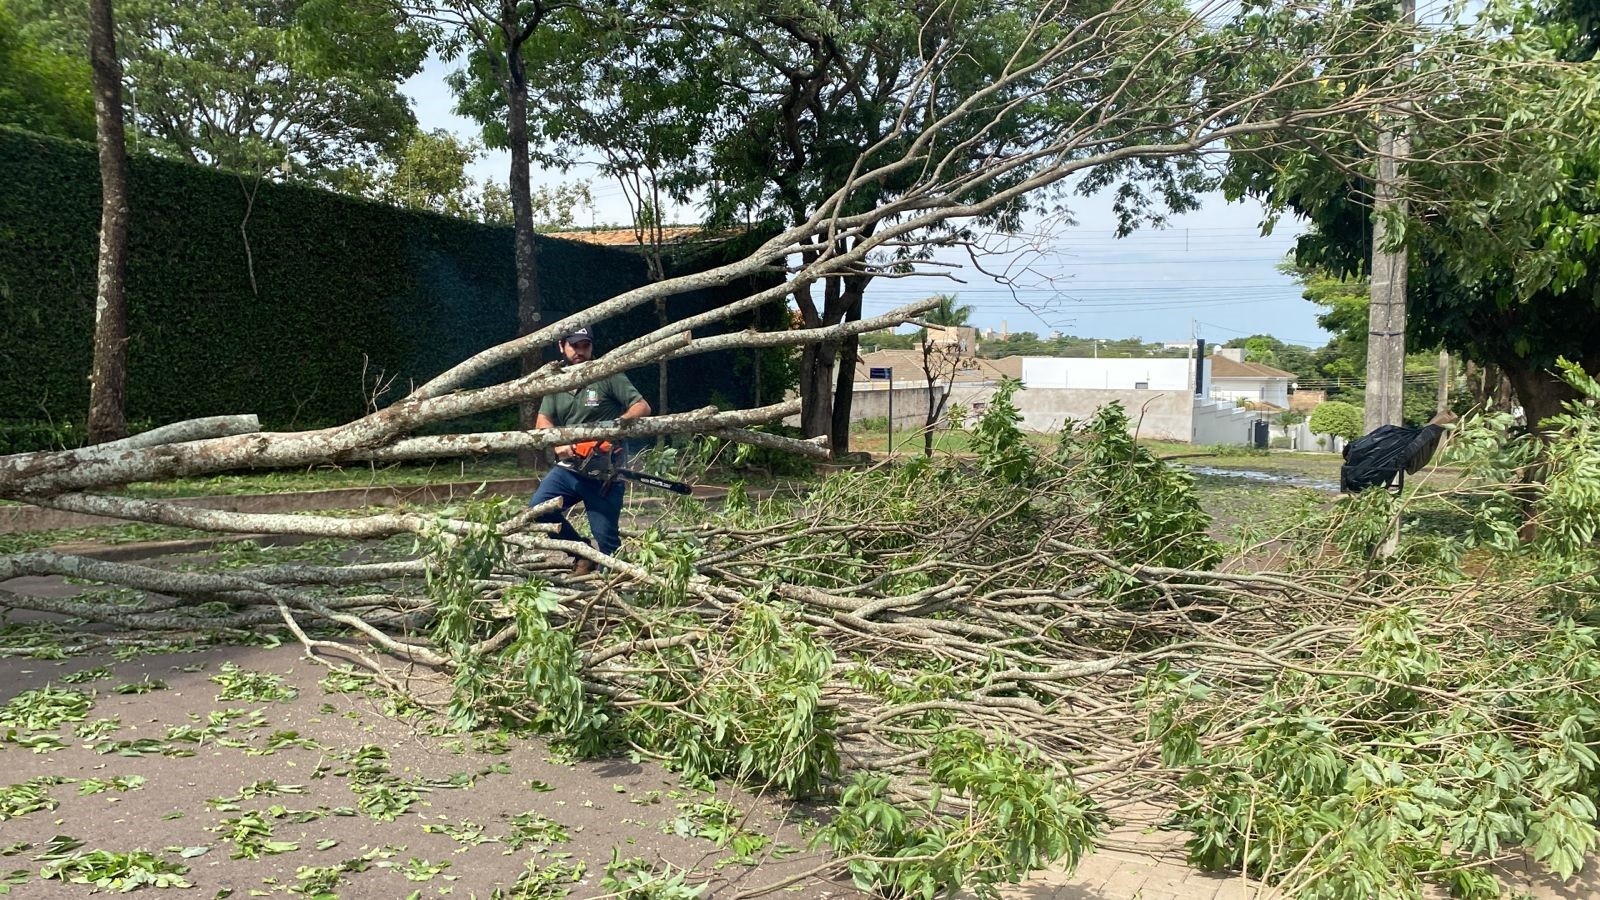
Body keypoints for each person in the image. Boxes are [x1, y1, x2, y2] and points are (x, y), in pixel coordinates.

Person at [528, 327, 651, 574]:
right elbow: (543, 420)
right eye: (575, 346)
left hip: (603, 472)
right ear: (562, 346)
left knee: (608, 543)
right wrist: (559, 443)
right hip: (569, 468)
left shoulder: (606, 374)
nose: (580, 351)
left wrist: (612, 430)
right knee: (539, 509)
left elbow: (642, 407)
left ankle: (613, 586)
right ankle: (581, 553)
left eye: (585, 345)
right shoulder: (558, 380)